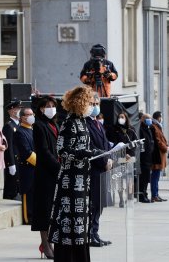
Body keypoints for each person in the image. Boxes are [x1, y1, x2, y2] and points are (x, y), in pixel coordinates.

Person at [49, 85, 94, 262]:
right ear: (81, 103)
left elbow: (85, 147)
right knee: (70, 221)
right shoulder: (69, 123)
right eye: (89, 102)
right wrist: (87, 154)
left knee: (81, 223)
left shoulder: (83, 122)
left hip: (83, 178)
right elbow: (62, 151)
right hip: (70, 180)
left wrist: (99, 152)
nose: (92, 105)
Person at [31, 95, 60, 260]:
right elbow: (43, 151)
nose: (51, 108)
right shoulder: (39, 126)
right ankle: (45, 243)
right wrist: (58, 166)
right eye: (47, 106)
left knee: (53, 210)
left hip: (55, 172)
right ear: (41, 109)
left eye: (53, 105)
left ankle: (52, 242)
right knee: (44, 210)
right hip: (45, 173)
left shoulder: (54, 123)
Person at [85, 93, 113, 247]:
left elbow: (105, 145)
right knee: (93, 204)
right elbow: (91, 147)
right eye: (92, 103)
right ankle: (90, 234)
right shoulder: (85, 124)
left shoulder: (98, 123)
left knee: (99, 204)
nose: (95, 106)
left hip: (104, 168)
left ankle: (95, 232)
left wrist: (110, 158)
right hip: (94, 169)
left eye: (97, 103)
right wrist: (104, 161)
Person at [106, 112, 138, 206]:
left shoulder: (131, 130)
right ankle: (120, 199)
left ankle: (129, 198)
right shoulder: (113, 129)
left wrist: (129, 154)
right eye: (119, 117)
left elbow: (134, 143)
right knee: (119, 179)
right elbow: (111, 144)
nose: (121, 118)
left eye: (122, 117)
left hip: (129, 157)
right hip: (118, 158)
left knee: (129, 179)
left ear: (126, 118)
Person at [13, 107, 36, 225]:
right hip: (27, 168)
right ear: (22, 117)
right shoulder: (20, 132)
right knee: (28, 192)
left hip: (35, 168)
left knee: (35, 193)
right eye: (28, 114)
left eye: (32, 114)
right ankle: (28, 217)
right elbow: (26, 152)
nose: (31, 116)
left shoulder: (33, 130)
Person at [2, 99, 21, 200]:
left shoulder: (18, 125)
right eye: (18, 109)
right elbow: (8, 147)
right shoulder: (9, 126)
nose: (20, 111)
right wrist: (10, 163)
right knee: (12, 184)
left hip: (20, 159)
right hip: (13, 159)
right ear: (12, 110)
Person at [150, 111, 169, 202]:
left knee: (157, 177)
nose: (161, 119)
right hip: (157, 155)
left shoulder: (157, 126)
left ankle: (156, 194)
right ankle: (154, 195)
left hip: (160, 154)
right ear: (158, 117)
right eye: (161, 117)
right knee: (155, 176)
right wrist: (165, 147)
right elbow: (158, 141)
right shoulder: (154, 126)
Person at [138, 113, 155, 203]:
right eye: (148, 118)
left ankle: (145, 194)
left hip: (149, 157)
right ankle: (142, 195)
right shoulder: (140, 129)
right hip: (143, 158)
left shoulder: (149, 129)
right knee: (143, 178)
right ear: (142, 119)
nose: (150, 120)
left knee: (147, 178)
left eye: (150, 118)